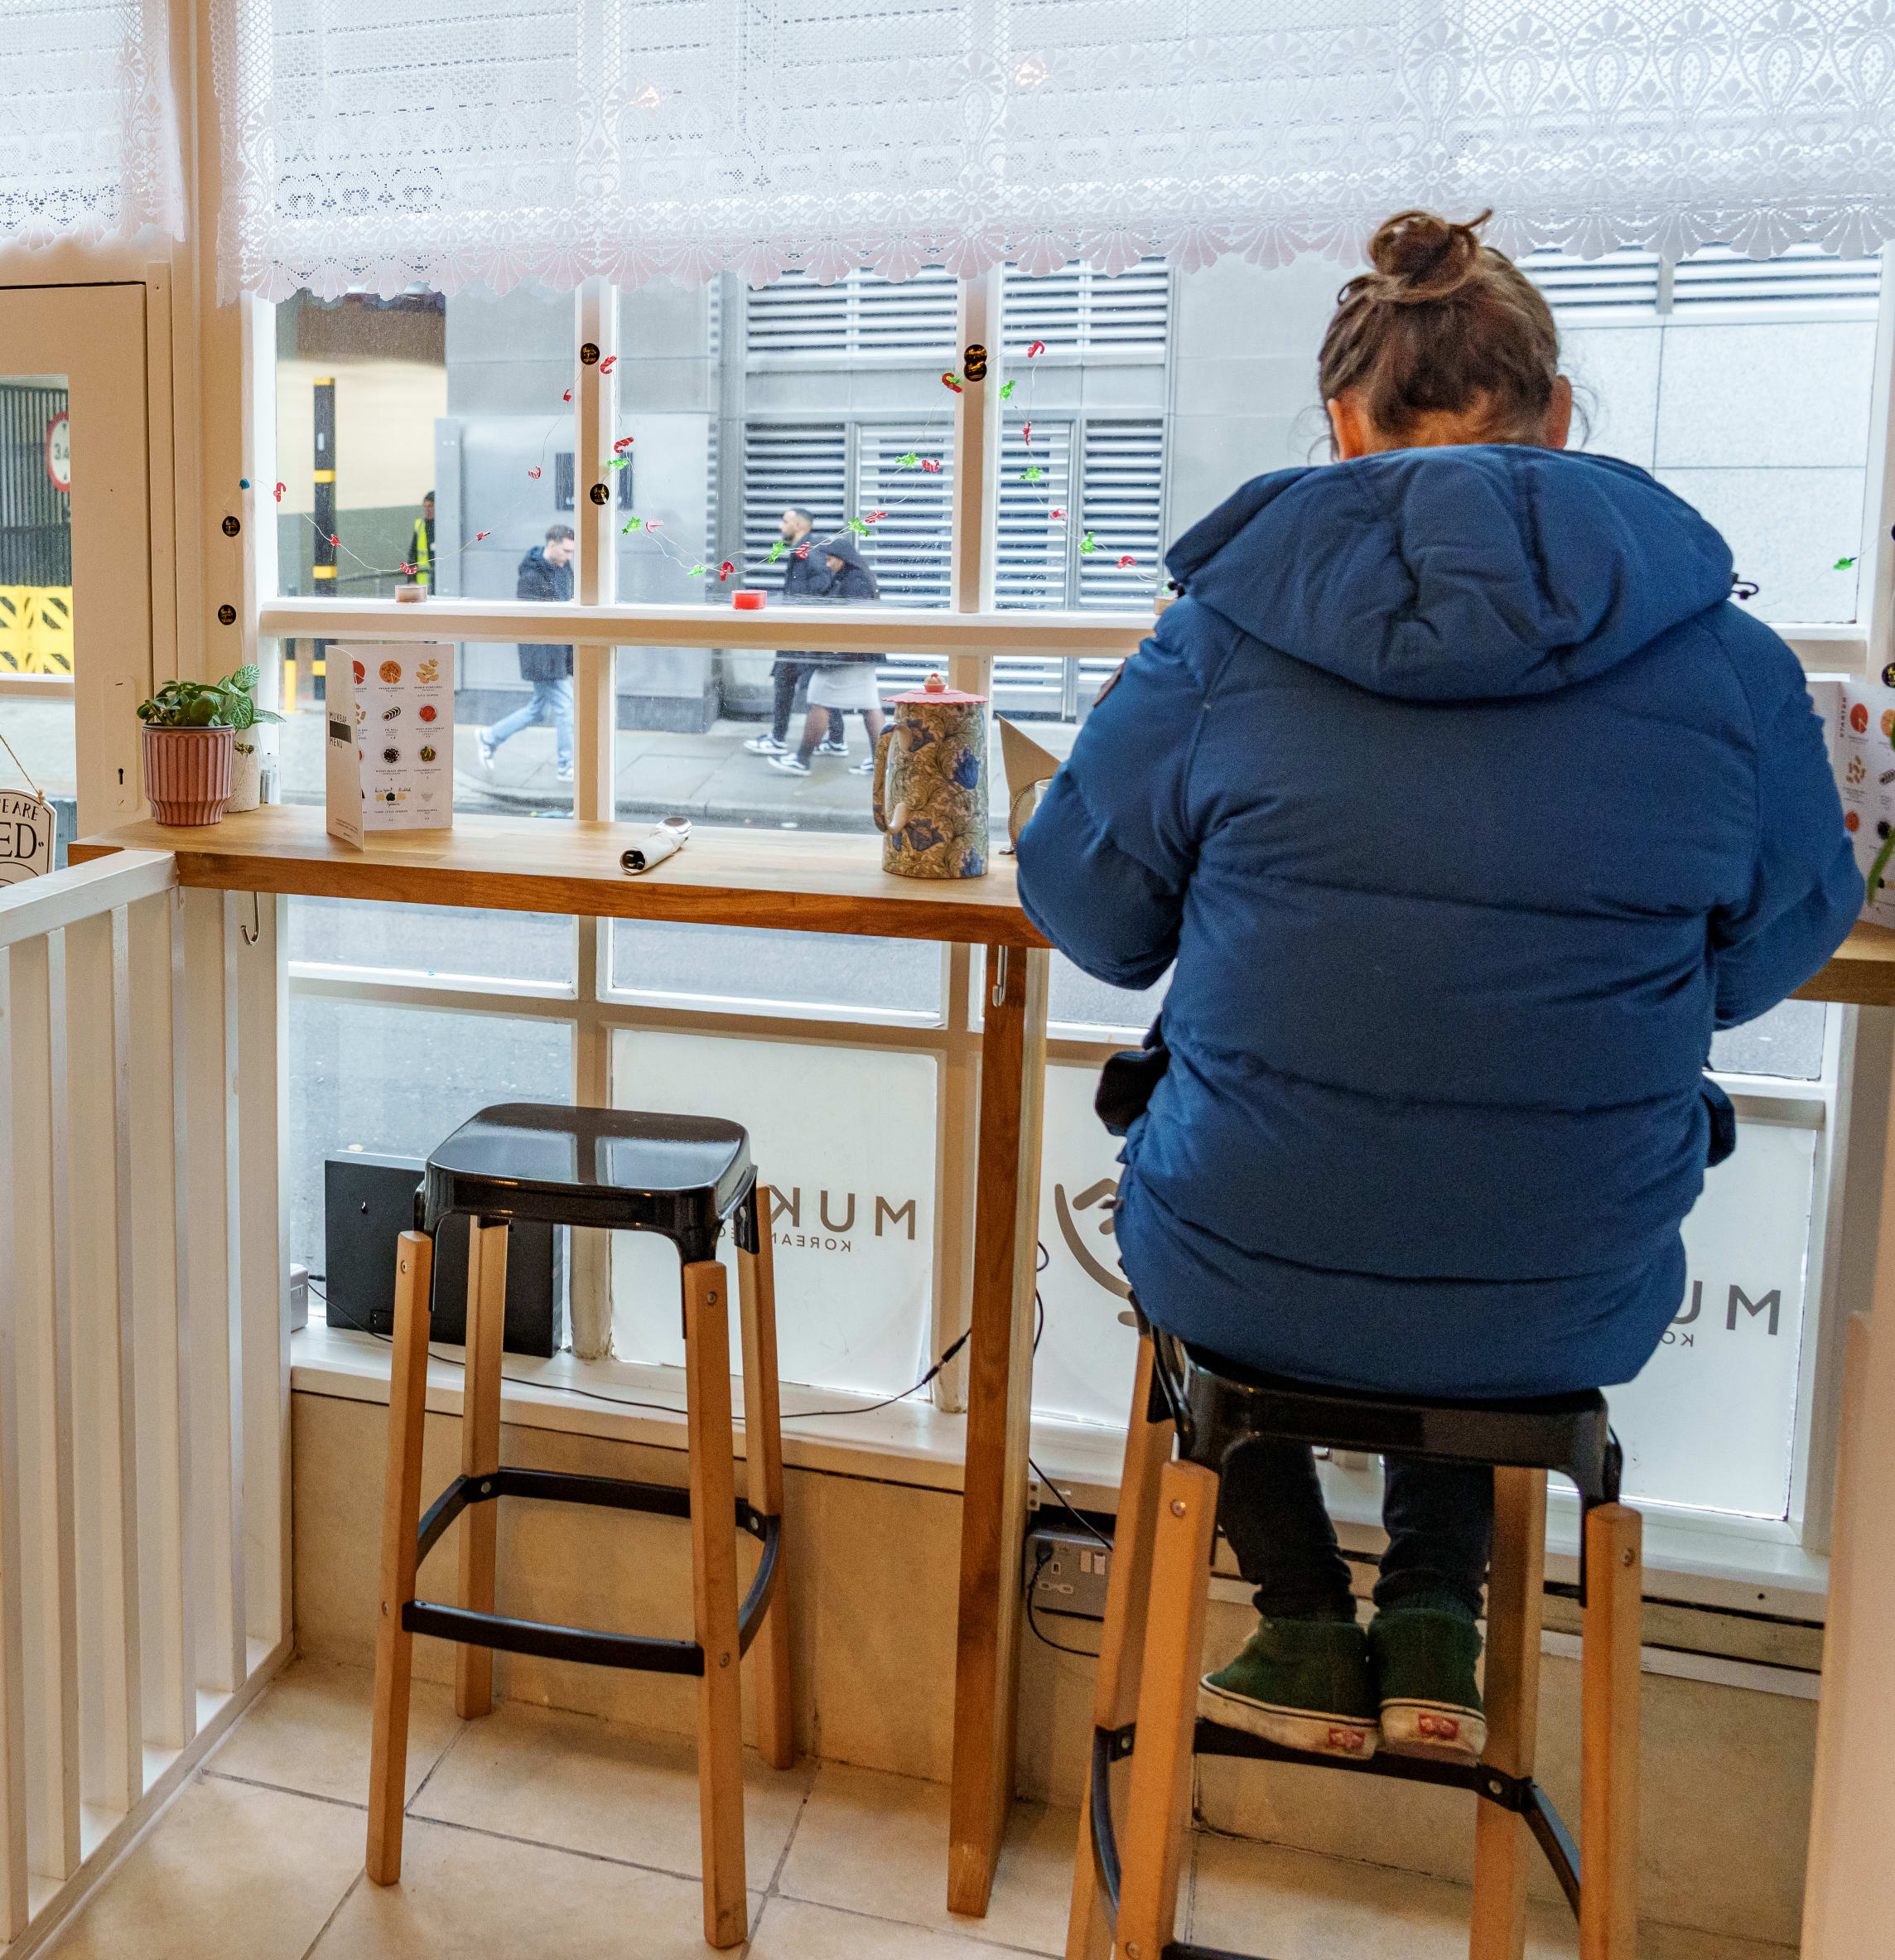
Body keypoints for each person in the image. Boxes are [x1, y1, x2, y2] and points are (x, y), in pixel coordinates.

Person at [1017, 210, 1857, 1765]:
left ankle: (1295, 1613)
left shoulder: (1216, 642)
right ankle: (1432, 1617)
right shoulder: (1731, 667)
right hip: (1568, 1290)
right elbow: (1763, 957)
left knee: (1214, 1194)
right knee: (1495, 1185)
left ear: (1342, 427)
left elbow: (1096, 918)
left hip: (1247, 1264)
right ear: (1554, 413)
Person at [772, 528, 888, 779]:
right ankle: (882, 762)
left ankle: (802, 760)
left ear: (841, 558)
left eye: (829, 559)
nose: (826, 564)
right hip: (859, 657)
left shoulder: (854, 580)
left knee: (818, 699)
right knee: (870, 705)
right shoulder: (854, 577)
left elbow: (849, 620)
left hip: (846, 657)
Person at [479, 524, 576, 784]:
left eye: (571, 552)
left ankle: (489, 737)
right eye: (566, 551)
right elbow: (532, 620)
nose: (569, 556)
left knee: (538, 711)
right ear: (551, 544)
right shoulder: (531, 575)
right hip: (542, 654)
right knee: (567, 707)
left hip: (557, 651)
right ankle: (567, 766)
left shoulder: (564, 568)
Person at [748, 508, 841, 758]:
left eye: (785, 521)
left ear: (799, 525)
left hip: (802, 632)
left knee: (794, 682)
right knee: (801, 683)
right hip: (799, 631)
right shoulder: (805, 548)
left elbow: (823, 582)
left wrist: (801, 612)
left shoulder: (809, 549)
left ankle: (781, 739)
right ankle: (835, 740)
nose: (781, 526)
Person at [407, 490, 436, 589]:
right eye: (425, 506)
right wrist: (412, 579)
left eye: (431, 506)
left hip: (439, 581)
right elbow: (412, 556)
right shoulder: (420, 526)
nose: (427, 510)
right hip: (422, 583)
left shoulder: (442, 527)